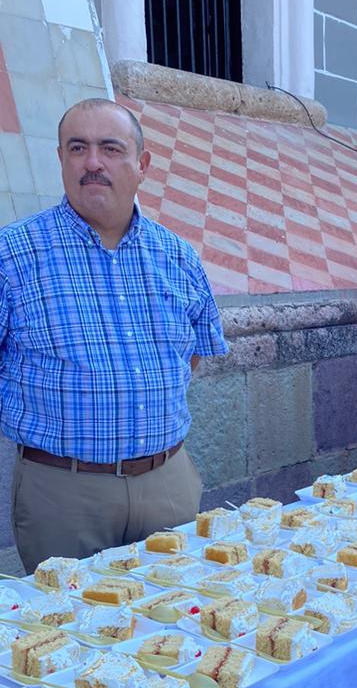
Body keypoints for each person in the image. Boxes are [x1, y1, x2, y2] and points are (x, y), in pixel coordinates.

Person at [0, 97, 228, 573]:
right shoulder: (12, 255)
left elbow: (194, 355)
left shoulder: (178, 256)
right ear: (60, 159)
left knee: (178, 621)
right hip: (63, 495)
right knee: (67, 633)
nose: (93, 163)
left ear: (141, 164)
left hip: (168, 485)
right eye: (77, 148)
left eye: (110, 148)